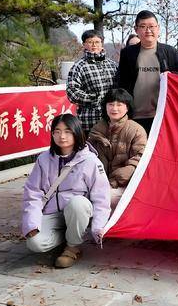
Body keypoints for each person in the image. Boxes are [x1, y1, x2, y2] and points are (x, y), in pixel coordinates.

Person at [21, 113, 111, 268]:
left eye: (68, 131)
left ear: (77, 133)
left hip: (77, 212)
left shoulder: (90, 161)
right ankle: (68, 235)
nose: (62, 136)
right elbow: (33, 194)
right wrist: (32, 224)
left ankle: (72, 246)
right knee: (35, 244)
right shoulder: (43, 159)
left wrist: (98, 227)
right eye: (57, 131)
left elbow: (101, 198)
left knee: (78, 203)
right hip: (51, 213)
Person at [116, 10, 178, 134]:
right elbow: (122, 83)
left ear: (158, 28)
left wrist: (172, 77)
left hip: (162, 115)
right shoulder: (128, 53)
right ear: (136, 30)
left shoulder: (170, 52)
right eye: (143, 26)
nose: (148, 30)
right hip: (134, 116)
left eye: (152, 26)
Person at [88, 89, 147, 211]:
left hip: (123, 185)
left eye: (119, 105)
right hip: (98, 184)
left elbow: (138, 161)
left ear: (127, 108)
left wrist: (112, 183)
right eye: (110, 104)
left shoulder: (136, 130)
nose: (114, 108)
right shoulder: (97, 129)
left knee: (102, 200)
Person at [66, 30, 119, 133]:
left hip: (113, 118)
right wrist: (93, 98)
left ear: (102, 43)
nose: (94, 45)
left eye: (97, 42)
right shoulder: (79, 66)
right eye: (90, 42)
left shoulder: (113, 65)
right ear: (84, 44)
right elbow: (71, 92)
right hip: (90, 119)